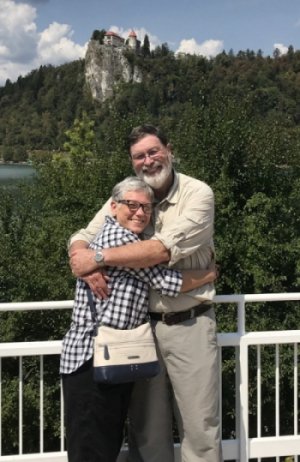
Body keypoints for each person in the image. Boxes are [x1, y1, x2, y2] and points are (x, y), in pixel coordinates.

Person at [69, 125, 223, 462]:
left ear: (169, 149)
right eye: (139, 156)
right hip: (139, 332)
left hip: (189, 325)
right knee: (147, 433)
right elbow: (83, 234)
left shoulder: (198, 194)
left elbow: (160, 251)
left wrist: (96, 258)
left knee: (200, 429)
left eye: (153, 151)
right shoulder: (133, 196)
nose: (148, 160)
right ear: (132, 162)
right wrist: (80, 256)